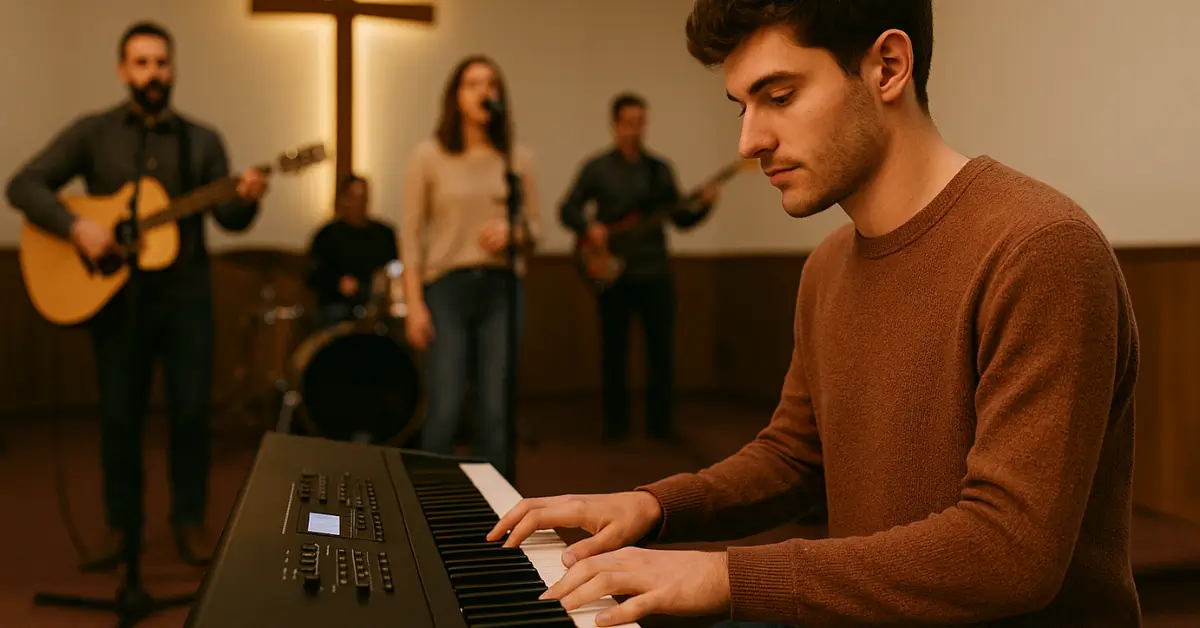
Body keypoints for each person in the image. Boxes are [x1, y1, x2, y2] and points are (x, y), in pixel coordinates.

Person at [488, 1, 1141, 626]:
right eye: (741, 105)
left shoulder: (1039, 247)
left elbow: (1009, 553)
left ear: (887, 67)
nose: (749, 140)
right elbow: (796, 458)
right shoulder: (827, 265)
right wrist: (652, 505)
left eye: (779, 96)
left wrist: (722, 579)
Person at [6, 21, 267, 570]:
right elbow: (23, 184)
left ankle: (189, 523)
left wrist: (246, 198)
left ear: (173, 70)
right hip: (117, 305)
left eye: (162, 62)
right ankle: (120, 526)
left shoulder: (203, 140)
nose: (154, 73)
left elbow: (230, 217)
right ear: (124, 70)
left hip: (187, 303)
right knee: (119, 417)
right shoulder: (94, 133)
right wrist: (77, 228)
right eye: (142, 62)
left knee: (191, 415)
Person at [400, 55, 540, 481]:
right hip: (446, 289)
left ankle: (495, 514)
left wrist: (513, 232)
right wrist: (414, 304)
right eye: (472, 83)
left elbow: (535, 228)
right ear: (455, 96)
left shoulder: (517, 158)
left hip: (501, 289)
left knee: (495, 405)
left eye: (491, 84)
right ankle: (429, 504)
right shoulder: (429, 155)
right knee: (444, 404)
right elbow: (409, 235)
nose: (483, 91)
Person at [559, 93, 719, 443]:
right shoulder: (596, 168)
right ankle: (615, 425)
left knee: (661, 349)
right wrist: (589, 229)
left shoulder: (659, 170)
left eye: (640, 122)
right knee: (613, 349)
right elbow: (567, 209)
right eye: (628, 122)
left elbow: (680, 218)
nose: (635, 130)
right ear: (615, 124)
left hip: (655, 271)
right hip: (612, 272)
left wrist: (704, 206)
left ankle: (659, 425)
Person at [306, 173, 399, 326]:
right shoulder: (327, 236)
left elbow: (395, 267)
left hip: (377, 305)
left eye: (364, 197)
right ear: (343, 200)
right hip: (338, 305)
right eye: (355, 197)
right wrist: (339, 283)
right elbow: (313, 275)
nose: (360, 203)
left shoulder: (384, 234)